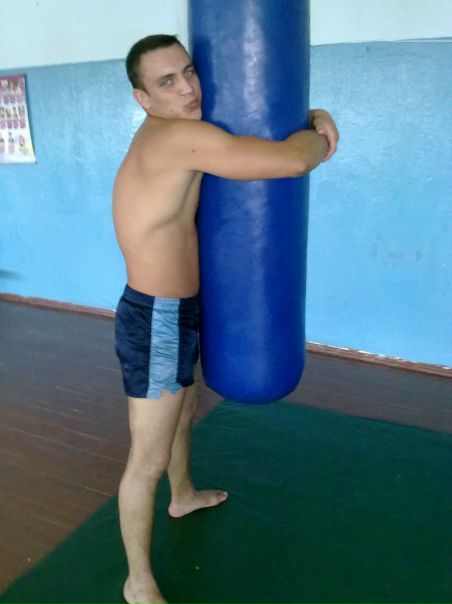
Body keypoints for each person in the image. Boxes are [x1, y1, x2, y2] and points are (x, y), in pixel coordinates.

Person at [113, 34, 339, 604]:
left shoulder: (175, 131)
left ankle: (182, 495)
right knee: (145, 459)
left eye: (189, 71)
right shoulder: (178, 138)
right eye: (167, 81)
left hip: (178, 310)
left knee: (183, 414)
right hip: (157, 318)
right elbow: (291, 161)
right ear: (143, 98)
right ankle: (137, 582)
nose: (188, 87)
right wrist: (322, 129)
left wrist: (311, 113)